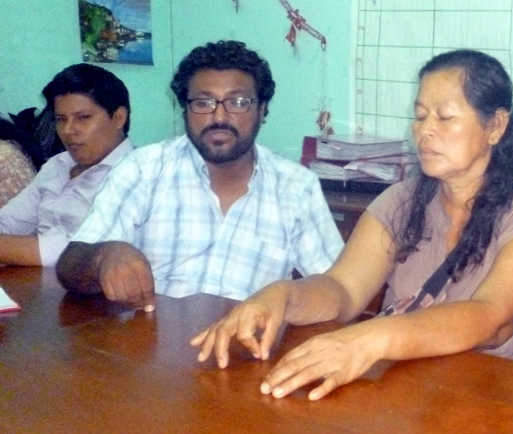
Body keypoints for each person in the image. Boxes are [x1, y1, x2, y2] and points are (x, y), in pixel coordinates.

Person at [190, 49, 513, 400]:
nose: (425, 130)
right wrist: (282, 296)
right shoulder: (403, 200)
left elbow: (492, 318)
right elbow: (343, 289)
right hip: (419, 396)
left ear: (495, 126)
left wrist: (369, 340)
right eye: (420, 116)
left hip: (507, 403)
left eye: (445, 117)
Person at [56, 41, 343, 310]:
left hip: (248, 341)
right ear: (185, 109)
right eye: (203, 103)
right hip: (152, 336)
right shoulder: (144, 169)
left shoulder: (296, 187)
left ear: (262, 110)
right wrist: (103, 256)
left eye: (238, 102)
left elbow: (337, 285)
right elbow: (70, 264)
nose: (219, 117)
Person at [0, 64, 133, 266]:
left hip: (87, 284)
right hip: (33, 280)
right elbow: (8, 223)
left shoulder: (137, 174)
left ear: (118, 118)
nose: (68, 130)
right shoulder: (58, 164)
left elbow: (80, 252)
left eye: (83, 118)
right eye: (61, 119)